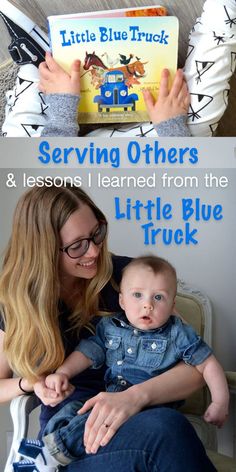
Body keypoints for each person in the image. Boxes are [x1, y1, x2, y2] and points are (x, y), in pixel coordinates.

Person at [0, 183, 216, 472]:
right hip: (71, 444)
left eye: (97, 233)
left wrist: (132, 398)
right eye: (77, 246)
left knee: (165, 427)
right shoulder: (16, 300)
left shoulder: (131, 280)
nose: (94, 250)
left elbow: (195, 365)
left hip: (139, 421)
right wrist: (31, 384)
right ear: (44, 249)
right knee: (166, 431)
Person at [14, 255, 229, 471]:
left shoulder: (177, 332)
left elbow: (207, 364)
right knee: (75, 411)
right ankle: (49, 447)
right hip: (105, 403)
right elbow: (88, 351)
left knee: (160, 424)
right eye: (138, 295)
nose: (147, 305)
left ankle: (51, 453)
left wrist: (220, 401)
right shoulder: (111, 327)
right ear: (122, 301)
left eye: (159, 297)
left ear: (172, 304)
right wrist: (62, 373)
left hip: (148, 413)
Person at [0, 0, 236, 137]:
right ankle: (222, 19)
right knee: (199, 117)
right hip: (148, 158)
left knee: (18, 143)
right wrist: (172, 128)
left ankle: (38, 67)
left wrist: (61, 108)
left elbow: (40, 180)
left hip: (62, 161)